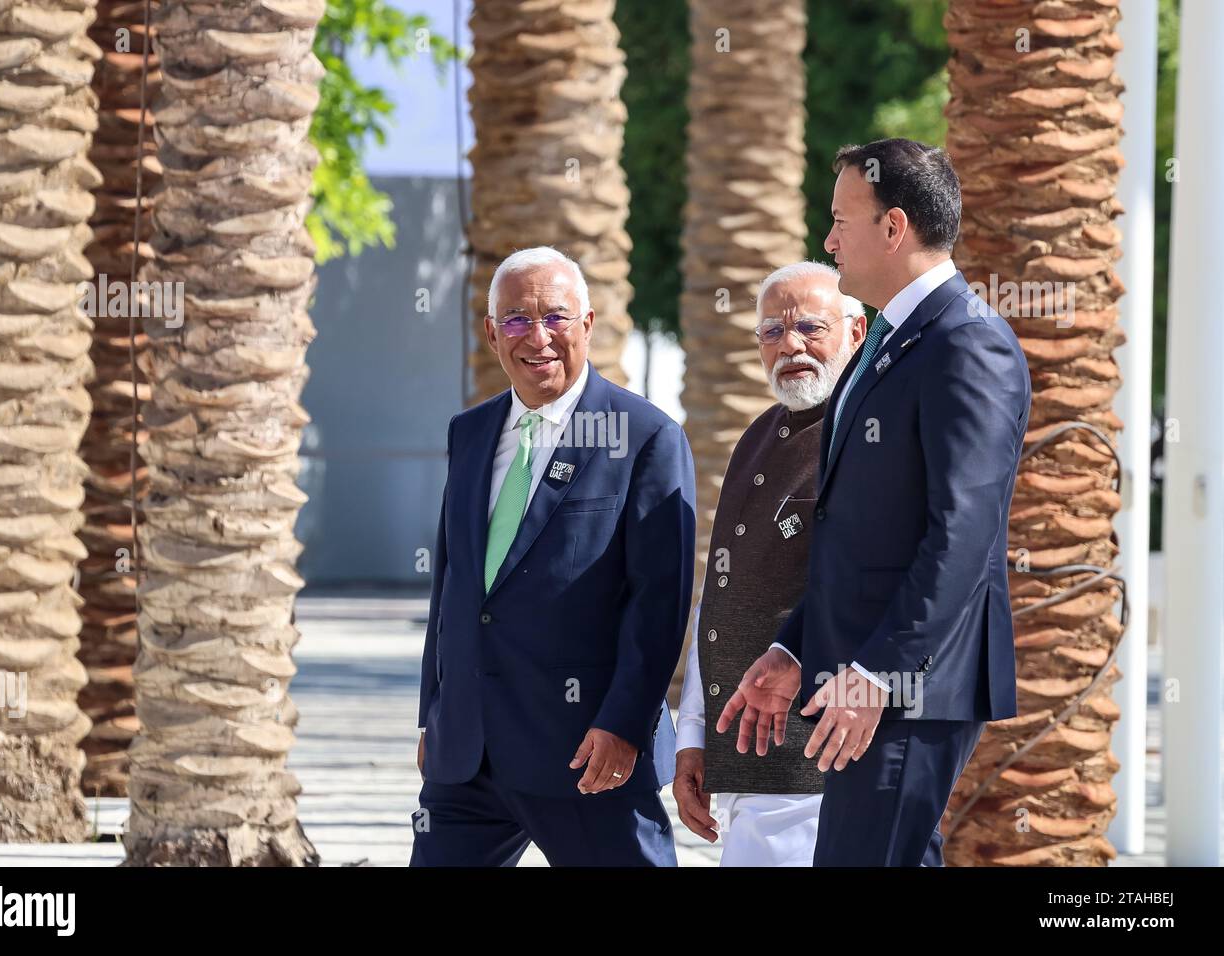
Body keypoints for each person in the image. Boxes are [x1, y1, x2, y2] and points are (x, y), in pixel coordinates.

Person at [718, 138, 1031, 866]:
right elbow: (860, 535)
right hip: (865, 676)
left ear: (894, 228)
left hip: (908, 689)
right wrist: (796, 647)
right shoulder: (887, 340)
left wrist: (877, 675)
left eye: (840, 220)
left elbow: (961, 536)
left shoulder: (967, 343)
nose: (827, 240)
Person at [411, 246, 695, 866]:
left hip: (587, 755)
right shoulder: (470, 433)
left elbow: (659, 606)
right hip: (467, 757)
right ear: (491, 334)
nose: (536, 337)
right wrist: (434, 712)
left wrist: (624, 725)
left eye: (556, 317)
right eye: (515, 319)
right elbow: (452, 587)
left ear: (588, 324)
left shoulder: (644, 436)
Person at [674, 262, 864, 866]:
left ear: (856, 332)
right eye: (772, 332)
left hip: (813, 764)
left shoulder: (867, 437)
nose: (791, 346)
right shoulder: (757, 435)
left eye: (811, 327)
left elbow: (871, 586)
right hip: (743, 764)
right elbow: (721, 596)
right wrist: (694, 738)